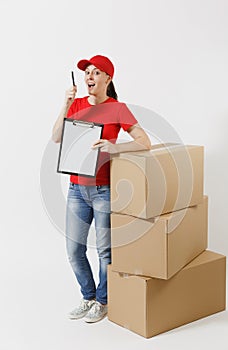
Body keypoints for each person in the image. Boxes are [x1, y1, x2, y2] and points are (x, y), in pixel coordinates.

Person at [52, 55, 151, 323]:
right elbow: (57, 137)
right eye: (87, 73)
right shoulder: (77, 105)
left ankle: (103, 301)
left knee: (105, 251)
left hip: (104, 190)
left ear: (108, 78)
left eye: (96, 73)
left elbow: (145, 141)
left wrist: (115, 147)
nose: (89, 77)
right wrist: (66, 104)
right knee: (74, 250)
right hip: (76, 189)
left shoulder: (118, 109)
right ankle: (88, 296)